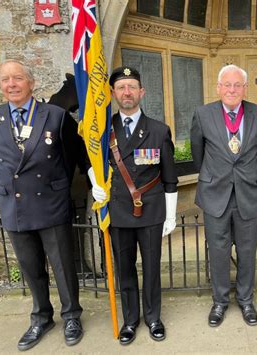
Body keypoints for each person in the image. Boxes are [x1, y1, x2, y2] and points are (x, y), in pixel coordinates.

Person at [0, 60, 84, 350]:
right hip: (15, 206)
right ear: (0, 85)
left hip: (50, 203)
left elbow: (69, 160)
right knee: (31, 268)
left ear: (31, 82)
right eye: (5, 80)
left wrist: (55, 189)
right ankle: (41, 317)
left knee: (63, 266)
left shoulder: (55, 116)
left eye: (17, 78)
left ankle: (71, 316)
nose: (12, 84)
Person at [88, 66, 178, 345]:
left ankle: (153, 317)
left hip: (150, 210)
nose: (127, 92)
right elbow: (92, 162)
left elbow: (170, 176)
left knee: (151, 267)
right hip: (117, 211)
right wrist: (95, 183)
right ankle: (130, 319)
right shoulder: (101, 130)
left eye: (132, 87)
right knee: (124, 267)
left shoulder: (159, 130)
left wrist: (171, 214)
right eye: (121, 87)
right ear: (113, 93)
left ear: (142, 92)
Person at [190, 64, 257, 327]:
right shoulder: (203, 114)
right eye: (227, 84)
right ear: (218, 87)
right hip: (215, 195)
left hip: (247, 193)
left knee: (247, 252)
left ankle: (246, 300)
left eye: (237, 85)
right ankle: (220, 302)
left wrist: (244, 176)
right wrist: (215, 176)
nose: (232, 89)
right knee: (219, 251)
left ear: (245, 88)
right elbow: (197, 155)